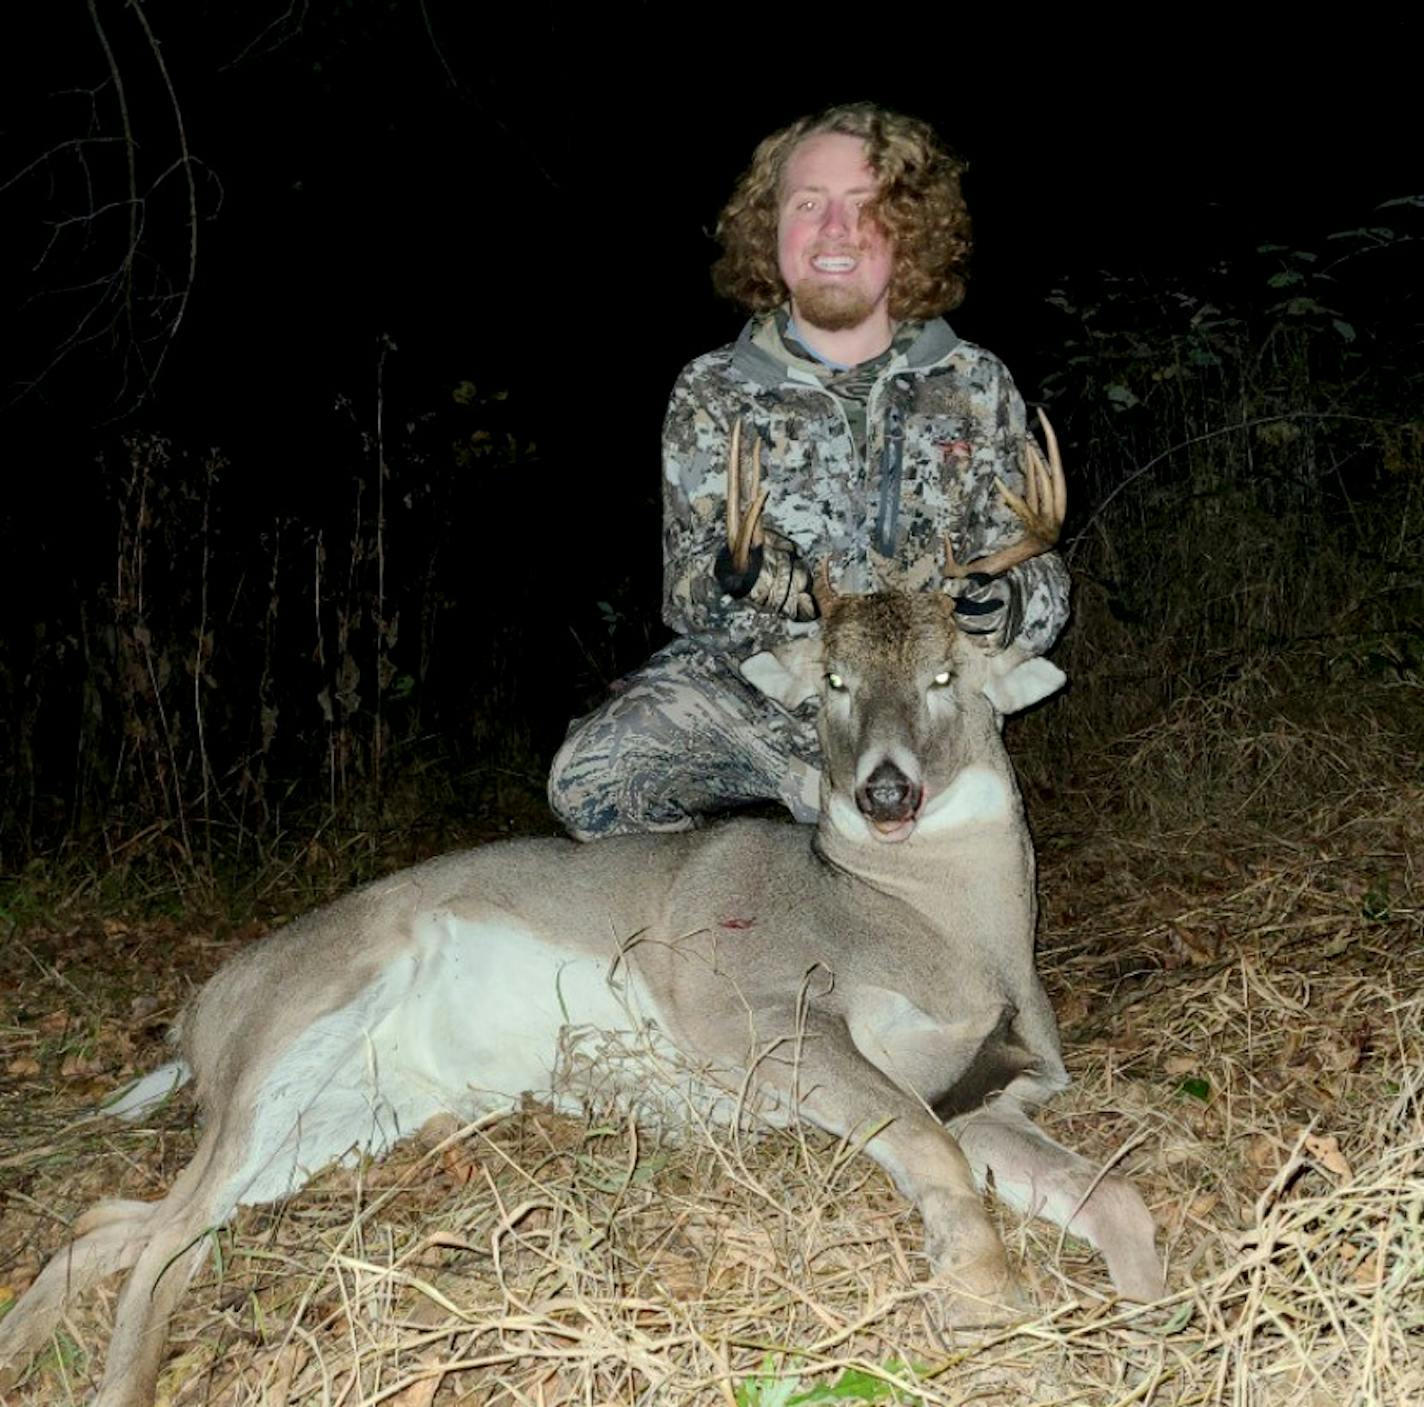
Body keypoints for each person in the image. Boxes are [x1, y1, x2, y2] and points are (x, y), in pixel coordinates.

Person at [548, 102, 1069, 840]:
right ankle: (779, 853)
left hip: (924, 694)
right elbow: (690, 596)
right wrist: (756, 584)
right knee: (590, 778)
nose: (835, 229)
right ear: (770, 229)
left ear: (911, 232)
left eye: (866, 206)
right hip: (781, 684)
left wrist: (1006, 599)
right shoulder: (714, 391)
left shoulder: (974, 383)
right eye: (808, 204)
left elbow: (1045, 586)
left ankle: (883, 831)